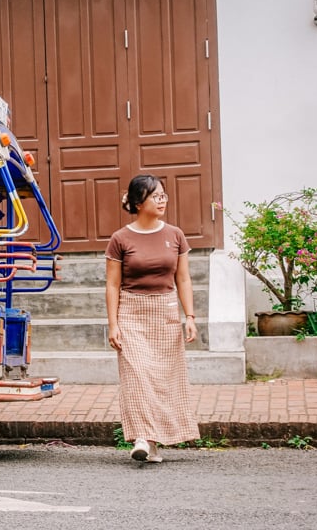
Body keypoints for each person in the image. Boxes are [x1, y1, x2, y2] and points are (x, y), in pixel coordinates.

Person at [105, 174, 200, 463]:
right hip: (131, 313)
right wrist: (113, 324)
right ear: (137, 202)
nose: (162, 200)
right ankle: (141, 438)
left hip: (166, 313)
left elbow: (183, 279)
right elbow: (112, 284)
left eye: (163, 195)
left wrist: (190, 316)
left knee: (162, 381)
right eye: (155, 196)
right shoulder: (120, 239)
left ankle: (155, 442)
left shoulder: (175, 235)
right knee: (136, 378)